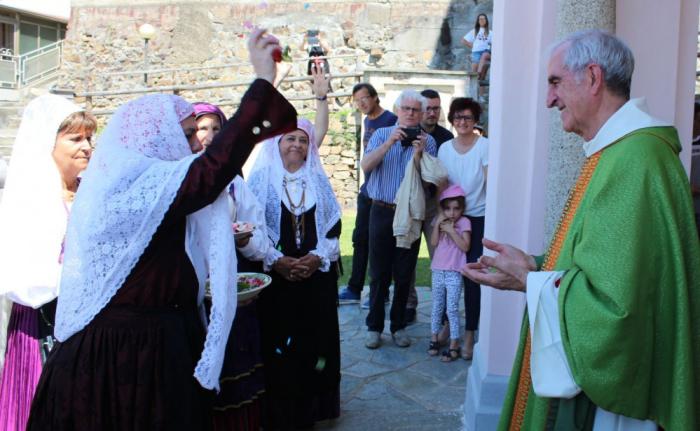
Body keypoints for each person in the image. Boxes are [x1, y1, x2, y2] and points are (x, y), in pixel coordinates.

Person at [27, 30, 297, 430]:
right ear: (154, 137)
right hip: (125, 357)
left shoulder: (143, 182)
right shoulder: (134, 186)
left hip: (153, 342)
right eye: (187, 134)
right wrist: (261, 84)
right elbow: (209, 173)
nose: (194, 145)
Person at [463, 30, 700, 430]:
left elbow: (617, 310)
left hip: (611, 405)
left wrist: (532, 279)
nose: (548, 99)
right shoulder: (617, 152)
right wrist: (535, 265)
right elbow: (607, 263)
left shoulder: (636, 159)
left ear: (592, 77)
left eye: (555, 82)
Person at [0, 94, 96, 431]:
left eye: (89, 138)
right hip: (44, 326)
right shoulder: (30, 200)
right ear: (47, 144)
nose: (86, 146)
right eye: (75, 138)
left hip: (89, 328)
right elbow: (20, 277)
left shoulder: (93, 192)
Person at [247, 108, 342, 429]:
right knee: (280, 340)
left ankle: (313, 408)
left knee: (315, 342)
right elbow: (251, 230)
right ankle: (283, 410)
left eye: (303, 140)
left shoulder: (317, 179)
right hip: (277, 280)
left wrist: (316, 258)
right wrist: (278, 261)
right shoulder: (260, 180)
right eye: (291, 138)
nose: (297, 145)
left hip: (315, 278)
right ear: (277, 142)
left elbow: (334, 229)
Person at [361, 89, 437, 349]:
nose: (410, 114)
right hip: (381, 211)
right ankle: (374, 327)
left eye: (416, 110)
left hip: (412, 214)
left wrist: (420, 155)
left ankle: (398, 326)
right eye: (406, 109)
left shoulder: (429, 142)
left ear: (421, 114)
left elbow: (430, 184)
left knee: (404, 273)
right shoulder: (382, 134)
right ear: (397, 109)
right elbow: (366, 166)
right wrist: (389, 143)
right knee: (379, 273)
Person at [437, 97, 488, 360]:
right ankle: (448, 324)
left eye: (467, 117)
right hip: (452, 218)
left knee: (471, 277)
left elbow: (491, 183)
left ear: (475, 119)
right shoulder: (445, 148)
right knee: (448, 275)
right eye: (457, 117)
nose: (462, 122)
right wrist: (443, 219)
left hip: (477, 219)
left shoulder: (485, 147)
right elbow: (443, 185)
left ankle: (469, 334)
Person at [338, 83, 397, 306]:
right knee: (359, 239)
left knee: (379, 245)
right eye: (357, 100)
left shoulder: (391, 120)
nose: (361, 103)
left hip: (383, 193)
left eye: (364, 98)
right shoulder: (367, 121)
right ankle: (354, 288)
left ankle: (380, 292)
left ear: (374, 97)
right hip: (367, 190)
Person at [427, 184, 470, 362]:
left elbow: (465, 246)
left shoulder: (464, 223)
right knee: (437, 306)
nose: (452, 213)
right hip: (438, 270)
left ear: (461, 208)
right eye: (448, 209)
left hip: (454, 272)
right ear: (443, 208)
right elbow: (434, 242)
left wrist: (452, 231)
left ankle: (454, 343)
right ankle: (434, 338)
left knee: (452, 309)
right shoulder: (439, 220)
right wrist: (438, 223)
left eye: (456, 208)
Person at [462, 13, 492, 80]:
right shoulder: (474, 31)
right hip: (476, 53)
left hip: (485, 52)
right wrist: (473, 46)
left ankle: (481, 90)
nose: (482, 20)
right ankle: (473, 90)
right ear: (478, 21)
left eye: (483, 19)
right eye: (480, 19)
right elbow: (464, 40)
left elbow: (494, 43)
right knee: (474, 75)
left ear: (486, 20)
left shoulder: (490, 33)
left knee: (482, 76)